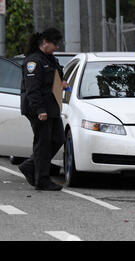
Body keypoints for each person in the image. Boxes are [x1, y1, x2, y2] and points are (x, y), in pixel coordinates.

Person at [18, 28, 68, 191]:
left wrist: (63, 81)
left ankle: (30, 166)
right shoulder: (33, 62)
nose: (57, 47)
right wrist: (40, 110)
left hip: (52, 106)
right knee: (43, 143)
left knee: (58, 139)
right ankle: (42, 179)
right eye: (55, 43)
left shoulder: (50, 58)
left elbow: (57, 75)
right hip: (39, 108)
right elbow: (32, 89)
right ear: (45, 42)